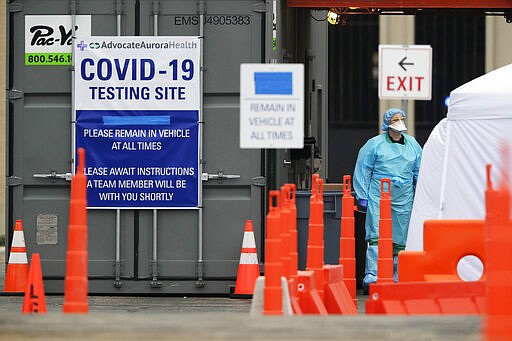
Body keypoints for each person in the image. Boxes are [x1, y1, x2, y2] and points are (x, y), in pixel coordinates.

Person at [353, 108, 422, 293]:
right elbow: (363, 169)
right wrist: (362, 196)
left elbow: (419, 172)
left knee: (401, 238)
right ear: (387, 122)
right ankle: (373, 276)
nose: (399, 122)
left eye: (401, 118)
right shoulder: (374, 145)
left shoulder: (413, 145)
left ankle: (398, 276)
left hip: (404, 196)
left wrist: (420, 195)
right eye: (395, 119)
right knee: (376, 235)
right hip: (379, 195)